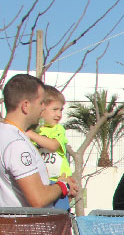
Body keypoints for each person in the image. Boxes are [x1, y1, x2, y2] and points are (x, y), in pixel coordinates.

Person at [1, 74, 77, 208]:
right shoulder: (17, 144)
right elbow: (38, 198)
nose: (43, 108)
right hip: (25, 227)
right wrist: (63, 186)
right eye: (41, 102)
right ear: (25, 106)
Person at [26, 85, 72, 209]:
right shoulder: (35, 129)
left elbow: (53, 145)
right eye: (55, 109)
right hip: (41, 183)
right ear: (41, 108)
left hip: (59, 180)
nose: (59, 114)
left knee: (59, 217)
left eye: (61, 110)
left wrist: (30, 135)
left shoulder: (58, 129)